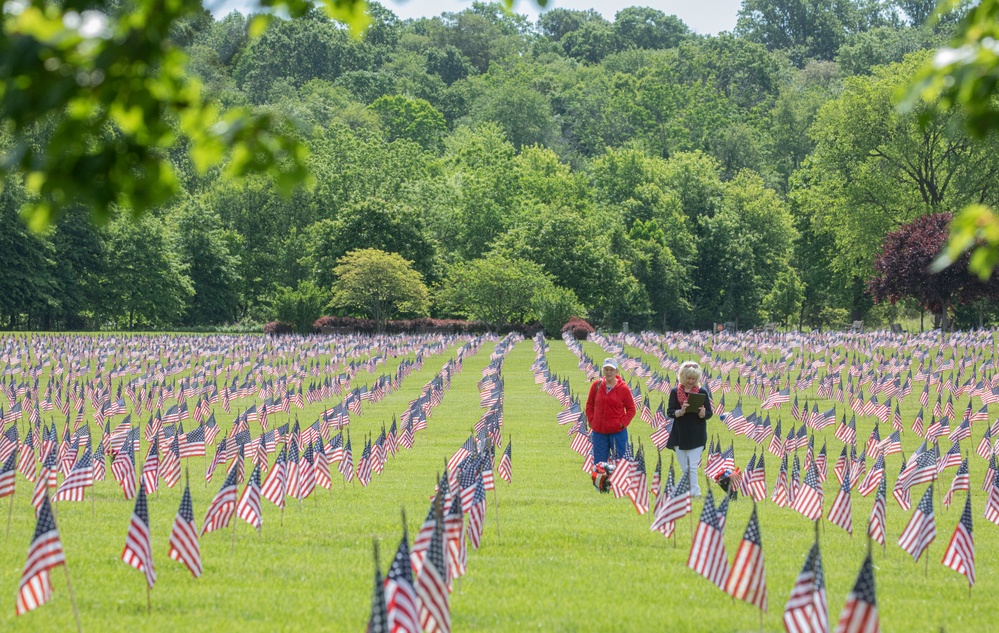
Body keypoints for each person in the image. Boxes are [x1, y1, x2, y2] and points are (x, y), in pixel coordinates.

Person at [666, 361, 713, 497]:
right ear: (682, 377)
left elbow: (709, 413)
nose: (691, 381)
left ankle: (695, 493)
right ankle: (686, 491)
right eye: (688, 378)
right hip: (679, 434)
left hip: (697, 434)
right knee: (685, 467)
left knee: (692, 466)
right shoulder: (675, 392)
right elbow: (669, 411)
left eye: (693, 379)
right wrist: (680, 411)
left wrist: (703, 413)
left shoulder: (702, 392)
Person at [585, 358, 636, 469]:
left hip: (618, 434)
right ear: (603, 371)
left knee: (622, 464)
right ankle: (601, 486)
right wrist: (592, 421)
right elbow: (589, 406)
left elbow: (631, 409)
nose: (609, 372)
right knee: (599, 466)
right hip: (599, 433)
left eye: (611, 370)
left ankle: (620, 486)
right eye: (606, 369)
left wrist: (622, 423)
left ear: (616, 372)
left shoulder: (623, 388)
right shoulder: (596, 386)